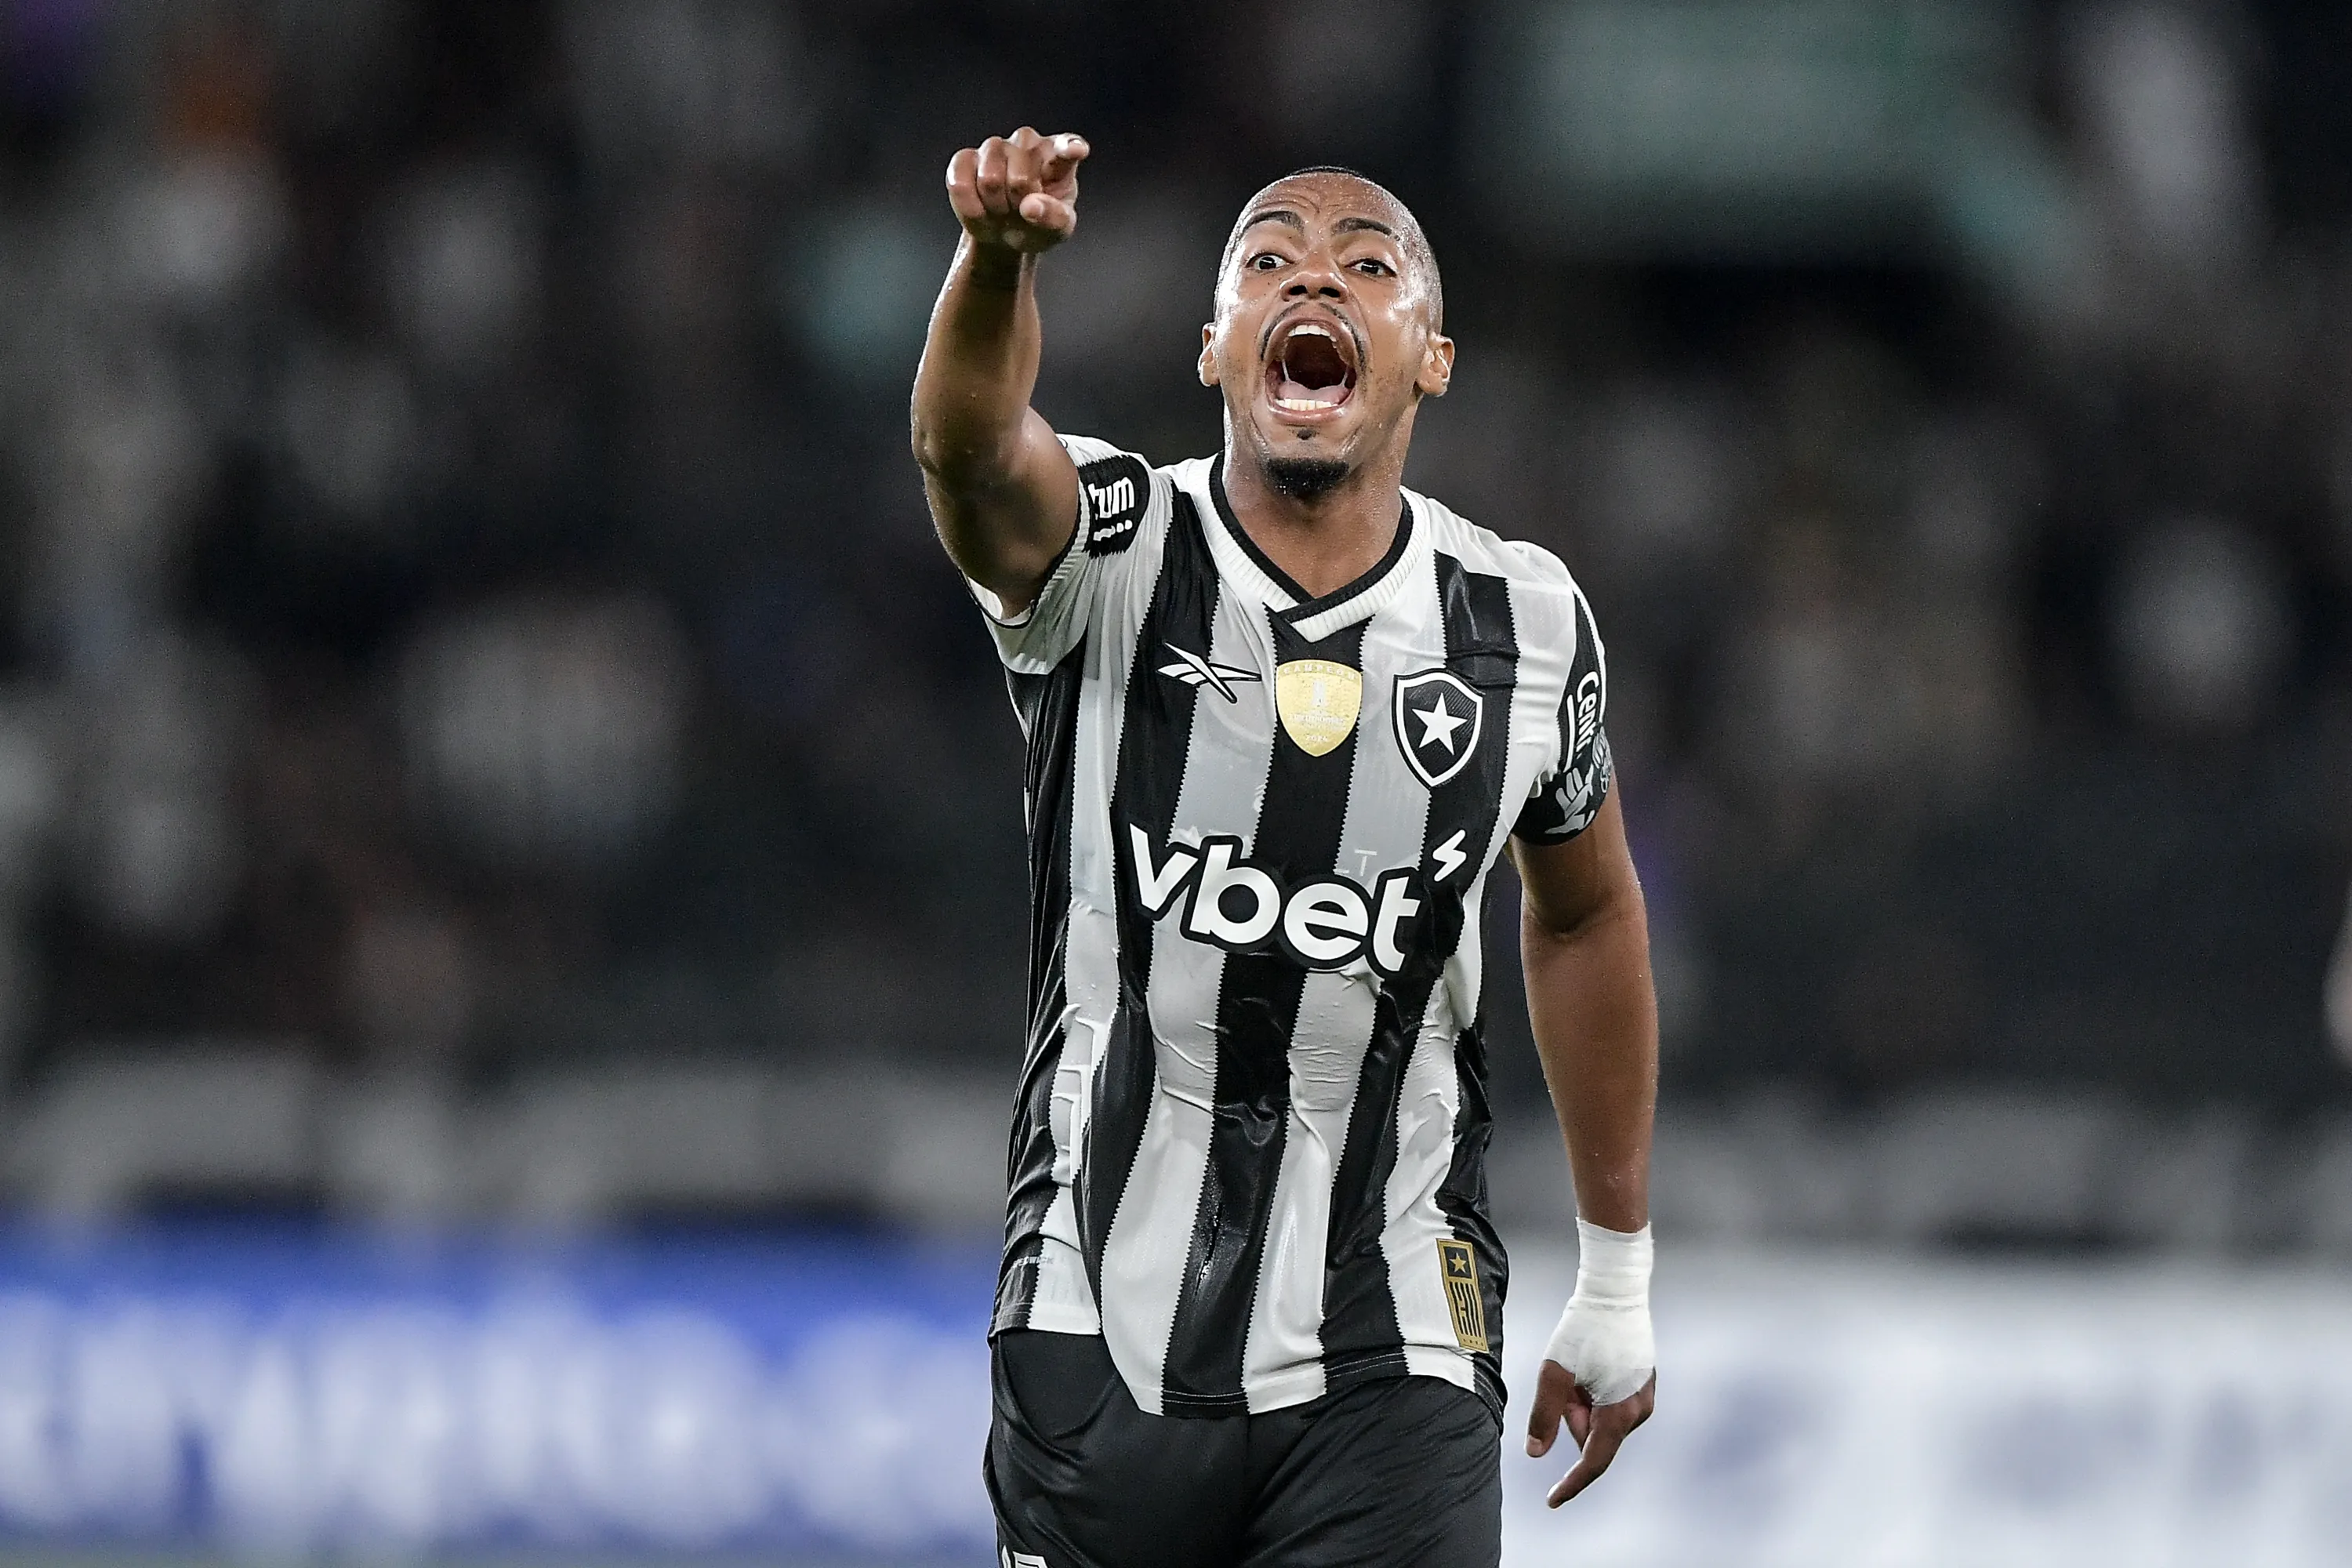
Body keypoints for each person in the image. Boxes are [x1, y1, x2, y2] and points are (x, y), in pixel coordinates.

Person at [911, 126, 1659, 1568]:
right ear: (1217, 348)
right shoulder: (1117, 551)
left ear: (1429, 356)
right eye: (1269, 261)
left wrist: (1616, 1277)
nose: (1314, 277)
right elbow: (967, 453)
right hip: (1099, 1319)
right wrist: (996, 264)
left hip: (1397, 1337)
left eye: (1366, 266)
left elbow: (1585, 913)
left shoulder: (1528, 624)